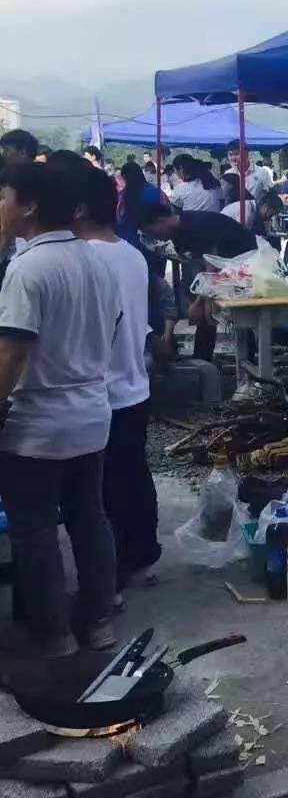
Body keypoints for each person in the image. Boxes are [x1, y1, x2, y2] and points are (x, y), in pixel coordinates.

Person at [0, 162, 121, 656]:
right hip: (91, 412)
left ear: (27, 205)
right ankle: (97, 623)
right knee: (89, 518)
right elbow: (110, 333)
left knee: (35, 531)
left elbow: (12, 351)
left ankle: (54, 637)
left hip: (39, 422)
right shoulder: (97, 260)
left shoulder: (28, 268)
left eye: (3, 195)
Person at [77, 168, 159, 607]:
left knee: (101, 492)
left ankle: (115, 572)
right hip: (133, 380)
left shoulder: (84, 256)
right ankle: (143, 553)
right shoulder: (129, 253)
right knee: (132, 474)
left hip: (100, 387)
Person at [137, 204, 256, 362]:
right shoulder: (179, 232)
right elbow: (199, 263)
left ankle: (247, 363)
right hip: (225, 268)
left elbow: (211, 266)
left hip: (245, 264)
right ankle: (203, 359)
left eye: (152, 232)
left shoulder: (194, 227)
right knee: (205, 314)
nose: (156, 238)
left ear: (160, 221)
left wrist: (200, 302)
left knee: (230, 315)